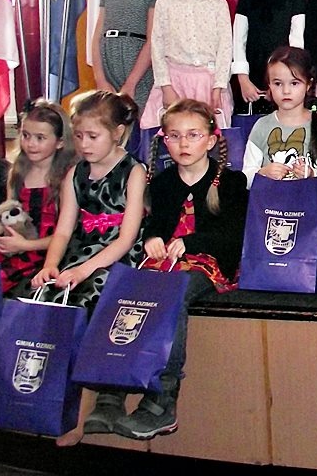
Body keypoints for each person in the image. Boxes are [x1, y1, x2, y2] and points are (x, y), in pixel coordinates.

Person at [114, 99, 249, 440]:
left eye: (192, 135)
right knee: (126, 289)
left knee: (173, 293)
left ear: (210, 140)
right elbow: (156, 226)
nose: (183, 143)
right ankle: (111, 391)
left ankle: (162, 398)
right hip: (167, 263)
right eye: (174, 136)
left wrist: (191, 243)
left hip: (210, 263)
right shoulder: (162, 183)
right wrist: (152, 240)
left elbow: (233, 237)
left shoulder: (231, 182)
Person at [32, 90, 146, 444]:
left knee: (84, 306)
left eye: (92, 136)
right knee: (41, 297)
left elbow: (126, 239)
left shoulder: (134, 172)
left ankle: (78, 419)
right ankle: (40, 399)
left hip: (117, 260)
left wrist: (84, 271)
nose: (83, 144)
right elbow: (63, 230)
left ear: (118, 133)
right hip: (79, 256)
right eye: (79, 136)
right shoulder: (75, 173)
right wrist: (51, 265)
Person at [0, 99, 76, 295]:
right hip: (15, 247)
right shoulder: (17, 173)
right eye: (26, 135)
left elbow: (66, 236)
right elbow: (9, 221)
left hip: (49, 254)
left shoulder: (66, 178)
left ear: (60, 142)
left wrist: (26, 245)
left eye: (40, 138)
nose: (31, 144)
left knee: (3, 287)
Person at [141, 0, 234, 128]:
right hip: (173, 82)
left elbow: (225, 49)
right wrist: (165, 86)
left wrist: (219, 85)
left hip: (207, 83)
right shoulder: (164, 3)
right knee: (172, 133)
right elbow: (157, 47)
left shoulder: (218, 5)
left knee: (205, 133)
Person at [242, 46, 317, 181]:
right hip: (269, 195)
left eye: (294, 83)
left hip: (307, 195)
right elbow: (246, 176)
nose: (286, 91)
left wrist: (312, 174)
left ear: (308, 84)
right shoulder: (262, 126)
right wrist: (262, 173)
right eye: (278, 84)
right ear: (269, 85)